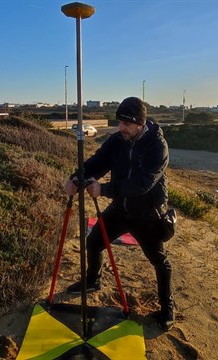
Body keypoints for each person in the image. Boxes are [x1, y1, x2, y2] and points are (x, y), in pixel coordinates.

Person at [63, 96, 175, 330]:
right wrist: (76, 178)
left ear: (140, 124)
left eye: (126, 124)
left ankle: (167, 308)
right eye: (119, 122)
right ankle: (93, 280)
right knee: (93, 243)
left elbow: (143, 183)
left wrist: (104, 189)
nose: (120, 128)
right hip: (120, 208)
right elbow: (97, 162)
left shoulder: (158, 146)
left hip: (147, 213)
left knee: (159, 261)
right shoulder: (117, 141)